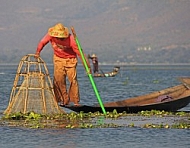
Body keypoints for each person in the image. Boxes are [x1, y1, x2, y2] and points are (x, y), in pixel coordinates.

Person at [35, 23, 91, 106]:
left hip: (70, 60)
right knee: (58, 79)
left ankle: (75, 101)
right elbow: (42, 42)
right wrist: (38, 52)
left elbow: (80, 54)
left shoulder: (71, 40)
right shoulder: (51, 36)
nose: (59, 39)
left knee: (73, 80)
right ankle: (63, 100)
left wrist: (87, 67)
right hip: (58, 59)